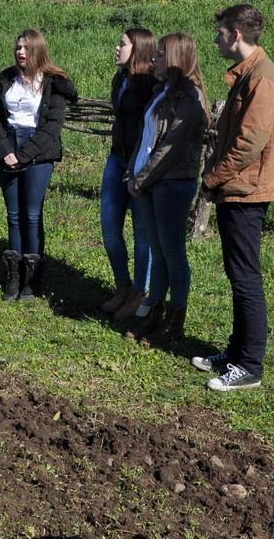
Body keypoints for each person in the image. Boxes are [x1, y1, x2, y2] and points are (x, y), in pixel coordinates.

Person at [193, 5, 274, 392]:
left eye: (219, 32)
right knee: (238, 274)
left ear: (235, 34)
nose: (215, 39)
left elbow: (250, 142)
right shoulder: (248, 75)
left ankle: (249, 366)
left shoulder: (263, 79)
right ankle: (235, 353)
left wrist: (212, 178)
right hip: (239, 188)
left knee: (246, 277)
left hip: (248, 190)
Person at [124, 33, 210, 346]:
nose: (154, 60)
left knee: (173, 253)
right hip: (148, 181)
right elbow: (144, 138)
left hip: (172, 183)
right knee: (159, 251)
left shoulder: (190, 97)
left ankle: (175, 321)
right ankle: (155, 313)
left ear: (175, 58)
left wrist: (142, 177)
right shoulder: (162, 91)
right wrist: (132, 173)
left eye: (160, 55)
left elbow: (169, 149)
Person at [0, 29, 78, 301]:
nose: (20, 53)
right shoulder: (7, 81)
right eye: (18, 48)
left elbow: (52, 128)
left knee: (31, 215)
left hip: (39, 152)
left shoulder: (53, 84)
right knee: (13, 216)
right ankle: (13, 278)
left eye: (26, 48)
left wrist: (24, 154)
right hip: (9, 147)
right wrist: (5, 150)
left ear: (38, 51)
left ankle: (32, 280)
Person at [100, 28, 158, 319]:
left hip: (139, 165)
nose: (117, 47)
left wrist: (141, 168)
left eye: (122, 44)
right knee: (110, 229)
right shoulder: (120, 78)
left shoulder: (150, 83)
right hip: (117, 158)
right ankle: (122, 285)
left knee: (142, 235)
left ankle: (139, 293)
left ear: (138, 49)